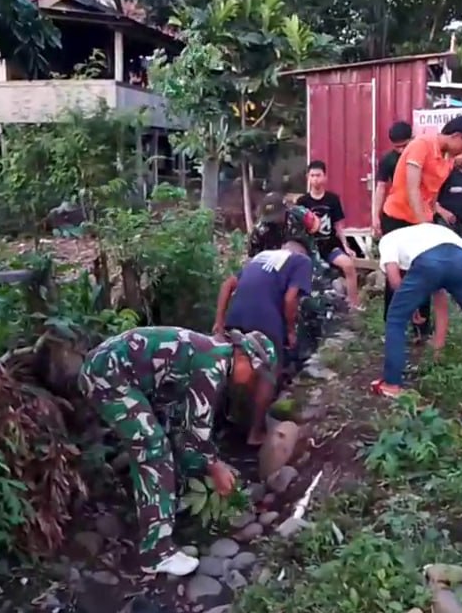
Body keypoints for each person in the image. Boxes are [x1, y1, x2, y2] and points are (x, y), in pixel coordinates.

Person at [74, 326, 275, 577]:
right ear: (244, 357)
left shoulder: (213, 353)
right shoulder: (213, 366)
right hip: (107, 376)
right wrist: (216, 466)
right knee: (154, 450)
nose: (252, 383)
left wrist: (204, 461)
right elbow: (198, 431)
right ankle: (156, 553)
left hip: (114, 371)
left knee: (167, 434)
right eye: (255, 375)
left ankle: (165, 504)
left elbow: (186, 428)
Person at [370, 223, 462, 402]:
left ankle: (391, 384)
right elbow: (440, 299)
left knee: (396, 319)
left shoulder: (388, 240)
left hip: (428, 262)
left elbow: (393, 277)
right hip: (461, 258)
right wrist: (437, 347)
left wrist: (408, 307)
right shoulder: (425, 234)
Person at [379, 115, 462, 338]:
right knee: (396, 274)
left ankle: (421, 329)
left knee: (425, 273)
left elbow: (431, 194)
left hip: (422, 219)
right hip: (398, 218)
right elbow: (413, 188)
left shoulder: (446, 159)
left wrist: (432, 217)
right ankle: (393, 328)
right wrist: (423, 228)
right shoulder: (421, 145)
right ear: (457, 136)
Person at [213, 239, 314, 445]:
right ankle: (255, 432)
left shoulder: (261, 257)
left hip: (236, 317)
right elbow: (290, 299)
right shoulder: (302, 260)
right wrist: (290, 331)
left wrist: (219, 322)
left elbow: (227, 285)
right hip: (266, 320)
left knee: (231, 366)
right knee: (268, 373)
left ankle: (220, 424)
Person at [297, 161, 362, 309]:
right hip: (311, 247)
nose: (315, 179)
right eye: (312, 176)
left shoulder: (332, 199)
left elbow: (339, 226)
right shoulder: (302, 202)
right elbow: (298, 228)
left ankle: (354, 304)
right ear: (308, 177)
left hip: (330, 246)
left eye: (318, 175)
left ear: (325, 177)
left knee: (348, 265)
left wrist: (346, 246)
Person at [372, 121, 413, 237]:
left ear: (412, 139)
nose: (401, 150)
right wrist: (375, 216)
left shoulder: (422, 156)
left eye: (404, 146)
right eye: (397, 147)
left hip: (417, 212)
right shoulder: (388, 159)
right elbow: (381, 187)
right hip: (395, 213)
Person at [434, 149, 462, 241]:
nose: (461, 157)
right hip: (444, 223)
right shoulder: (443, 173)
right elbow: (430, 198)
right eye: (458, 154)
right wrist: (443, 212)